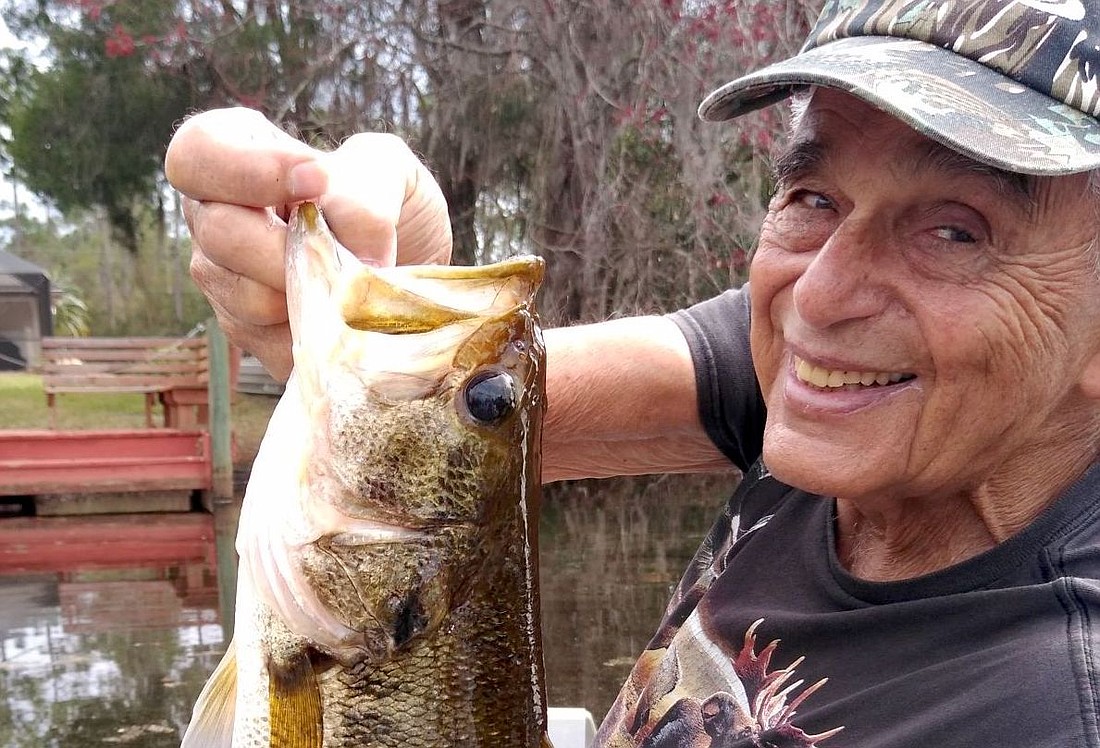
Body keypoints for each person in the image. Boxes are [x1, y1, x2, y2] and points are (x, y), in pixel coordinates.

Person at [165, 0, 1100, 745]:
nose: (818, 297)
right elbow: (436, 449)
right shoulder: (840, 384)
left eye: (954, 232)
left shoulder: (1047, 707)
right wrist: (384, 266)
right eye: (813, 196)